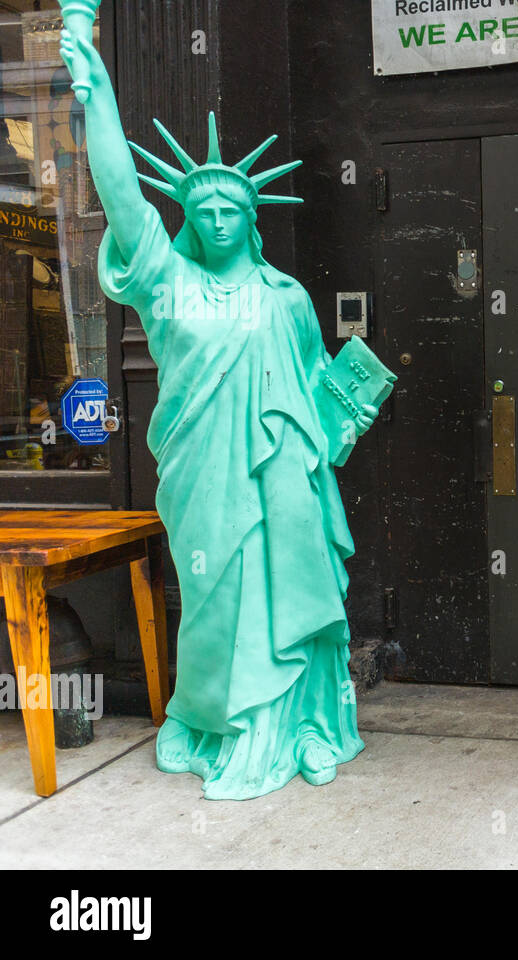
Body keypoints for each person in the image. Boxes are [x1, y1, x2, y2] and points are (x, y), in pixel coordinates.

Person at [61, 27, 376, 799]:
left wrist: (348, 409)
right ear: (189, 219)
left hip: (287, 479)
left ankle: (304, 725)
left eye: (231, 205)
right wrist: (96, 94)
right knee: (216, 598)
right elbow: (124, 199)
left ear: (251, 213)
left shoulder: (289, 297)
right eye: (202, 208)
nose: (219, 218)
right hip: (207, 477)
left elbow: (315, 393)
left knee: (293, 592)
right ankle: (219, 722)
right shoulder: (169, 285)